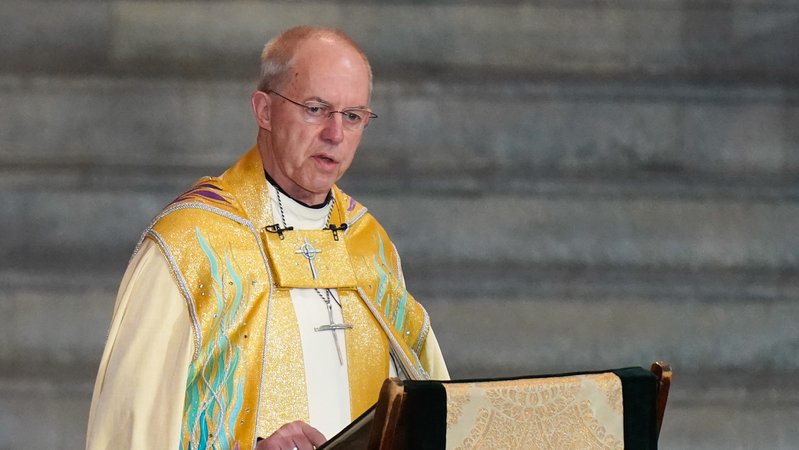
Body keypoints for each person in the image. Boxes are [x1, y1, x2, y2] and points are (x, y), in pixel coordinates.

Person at [85, 26, 448, 450]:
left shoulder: (367, 243)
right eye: (316, 109)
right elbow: (134, 424)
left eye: (353, 116)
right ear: (264, 111)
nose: (335, 134)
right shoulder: (192, 243)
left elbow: (431, 405)